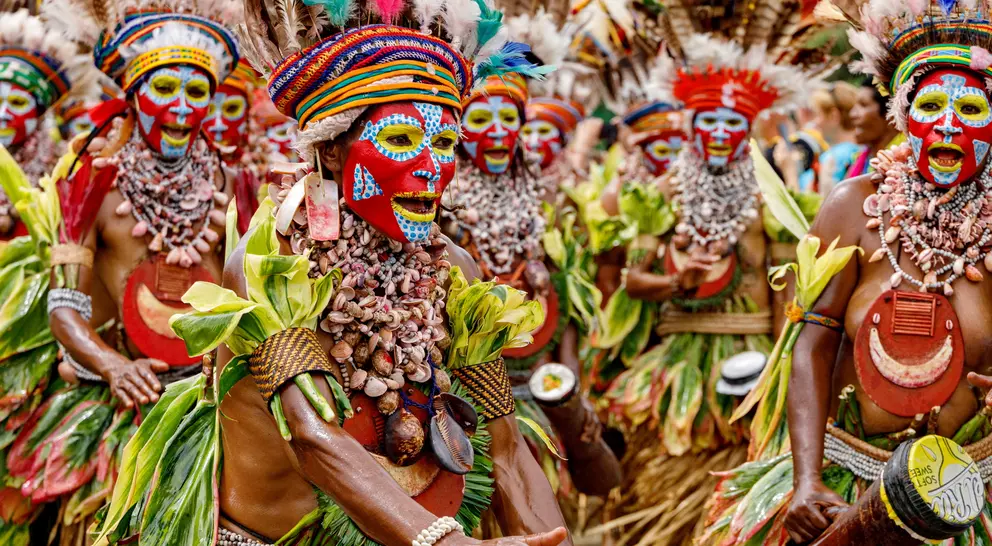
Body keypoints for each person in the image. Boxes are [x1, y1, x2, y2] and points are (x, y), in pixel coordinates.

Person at [93, 1, 575, 544]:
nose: (432, 167)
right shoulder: (270, 269)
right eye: (399, 140)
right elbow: (314, 438)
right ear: (330, 153)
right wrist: (445, 543)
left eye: (444, 143)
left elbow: (504, 444)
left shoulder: (453, 270)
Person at [699, 0, 992, 543]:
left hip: (965, 493)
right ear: (903, 113)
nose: (949, 125)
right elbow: (810, 345)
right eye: (930, 104)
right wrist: (808, 480)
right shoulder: (854, 206)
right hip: (845, 484)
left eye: (971, 110)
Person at [4, 1, 240, 542]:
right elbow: (65, 308)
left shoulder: (230, 187)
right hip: (116, 396)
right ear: (131, 99)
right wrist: (111, 365)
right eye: (164, 89)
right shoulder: (93, 185)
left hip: (204, 400)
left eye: (197, 91)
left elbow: (239, 298)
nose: (182, 108)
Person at [597, 9, 815, 541]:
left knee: (740, 477)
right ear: (692, 126)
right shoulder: (661, 195)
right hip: (674, 370)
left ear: (747, 129)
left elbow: (787, 286)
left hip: (752, 365)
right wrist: (678, 283)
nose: (719, 132)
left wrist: (782, 359)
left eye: (732, 123)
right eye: (709, 122)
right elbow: (632, 282)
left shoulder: (771, 202)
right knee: (661, 485)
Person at [441, 50, 621, 498]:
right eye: (482, 118)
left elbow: (566, 305)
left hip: (536, 389)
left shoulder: (549, 206)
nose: (499, 131)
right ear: (459, 131)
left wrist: (569, 389)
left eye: (510, 118)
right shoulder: (439, 208)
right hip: (463, 402)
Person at [844, 81, 904, 178]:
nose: (852, 114)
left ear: (890, 115)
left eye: (863, 105)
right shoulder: (860, 159)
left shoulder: (906, 161)